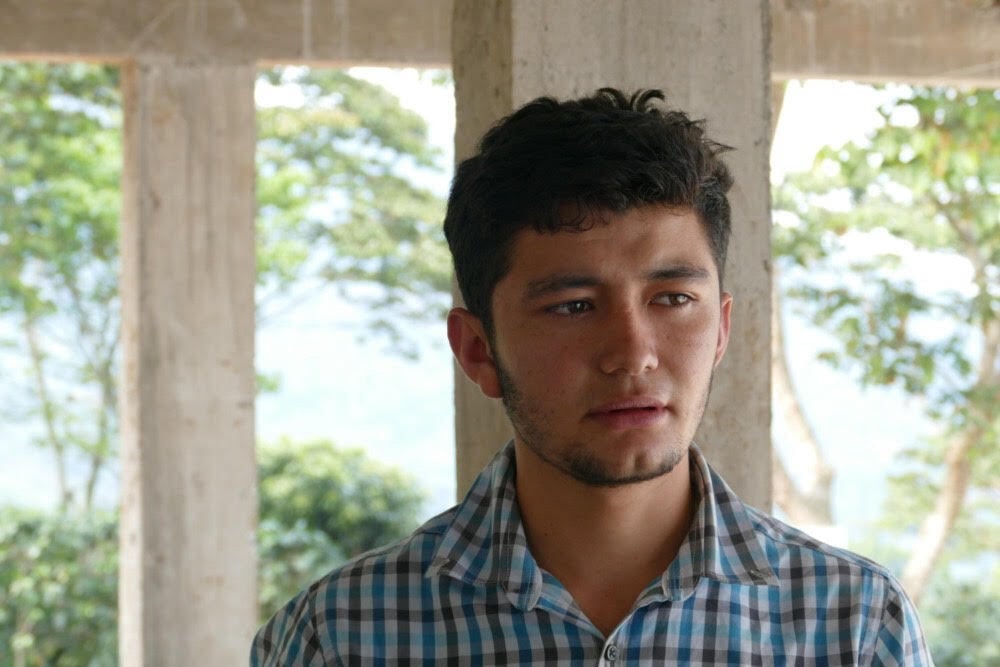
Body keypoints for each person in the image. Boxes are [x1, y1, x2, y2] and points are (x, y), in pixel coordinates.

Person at [251, 88, 932, 665]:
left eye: (673, 299)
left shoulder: (853, 625)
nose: (633, 354)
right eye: (573, 305)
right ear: (477, 351)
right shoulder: (338, 636)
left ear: (721, 329)